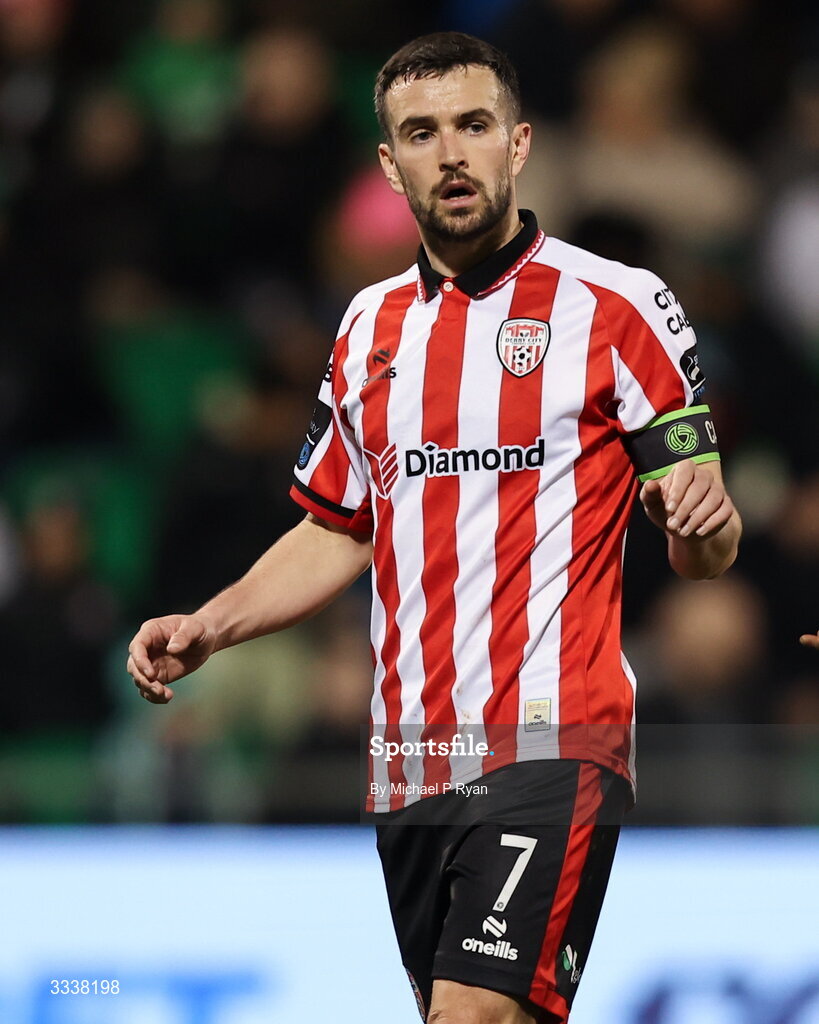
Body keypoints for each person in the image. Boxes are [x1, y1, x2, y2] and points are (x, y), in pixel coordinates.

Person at [127, 32, 741, 1024]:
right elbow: (336, 526)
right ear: (390, 163)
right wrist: (213, 623)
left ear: (519, 143)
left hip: (556, 736)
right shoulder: (366, 328)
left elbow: (707, 543)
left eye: (473, 125)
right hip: (409, 757)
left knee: (474, 1013)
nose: (450, 152)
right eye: (421, 132)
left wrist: (701, 523)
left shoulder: (623, 308)